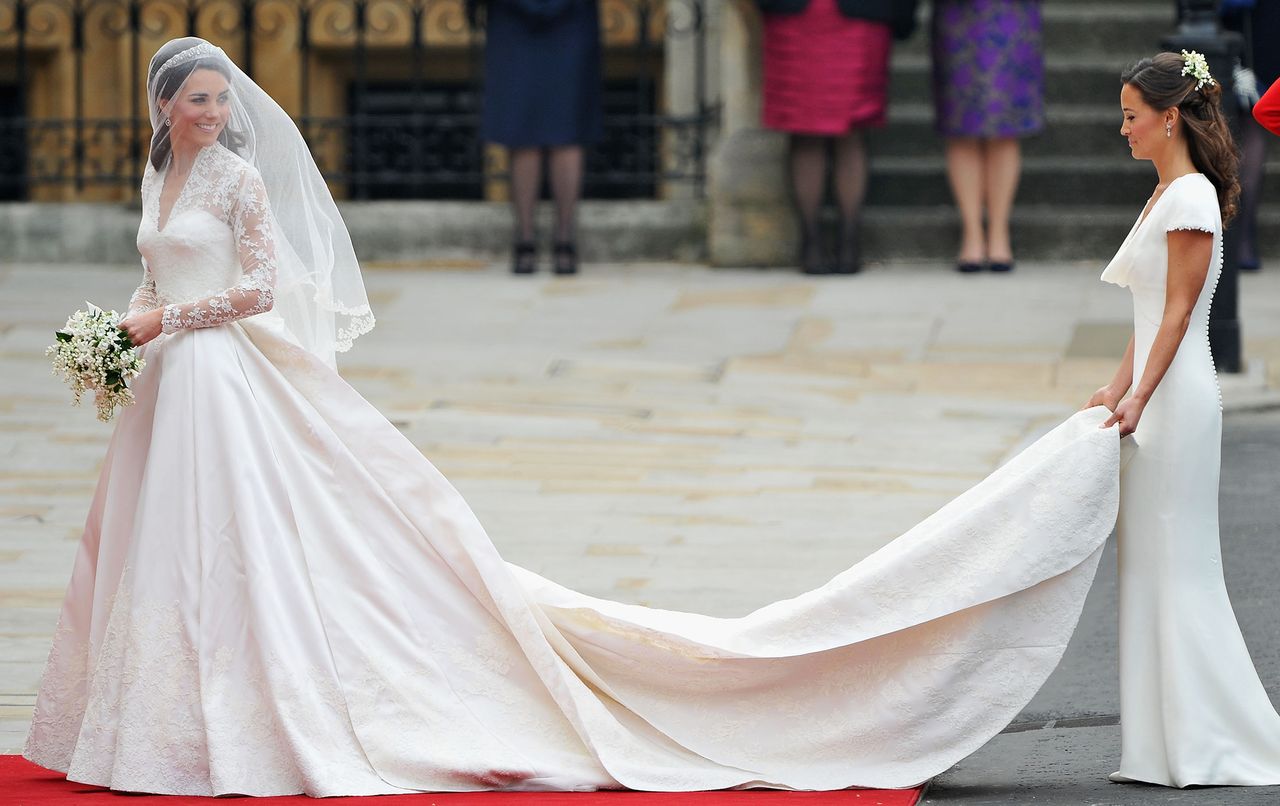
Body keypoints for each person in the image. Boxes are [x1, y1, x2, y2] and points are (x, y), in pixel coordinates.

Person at [24, 37, 1132, 798]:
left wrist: (168, 322)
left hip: (219, 373)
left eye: (223, 99)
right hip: (172, 380)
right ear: (164, 107)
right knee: (157, 549)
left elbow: (263, 289)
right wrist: (122, 331)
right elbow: (153, 274)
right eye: (198, 99)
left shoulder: (235, 182)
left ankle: (246, 711)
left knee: (237, 543)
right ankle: (150, 717)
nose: (214, 113)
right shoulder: (157, 180)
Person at [1087, 50, 1280, 787]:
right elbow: (1145, 314)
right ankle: (1161, 745)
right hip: (1154, 394)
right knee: (1148, 567)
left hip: (1181, 400)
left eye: (1132, 115)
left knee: (1182, 568)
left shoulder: (1192, 197)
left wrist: (1141, 396)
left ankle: (1208, 740)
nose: (1124, 129)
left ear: (1170, 117)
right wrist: (1114, 387)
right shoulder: (1165, 194)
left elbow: (1176, 314)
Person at [756, 0, 918, 274]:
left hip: (861, 19)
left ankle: (848, 241)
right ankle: (812, 241)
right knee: (805, 127)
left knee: (853, 127)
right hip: (798, 18)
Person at [472, 0, 602, 275]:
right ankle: (527, 236)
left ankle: (562, 237)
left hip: (568, 22)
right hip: (515, 24)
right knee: (523, 126)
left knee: (567, 126)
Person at [930, 0, 1044, 273]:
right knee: (960, 123)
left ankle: (998, 232)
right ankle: (971, 233)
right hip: (958, 15)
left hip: (1011, 13)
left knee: (1005, 123)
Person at [1223, 0, 1279, 271]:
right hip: (1207, 15)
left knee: (1258, 104)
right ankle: (1224, 231)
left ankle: (1242, 233)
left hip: (1265, 17)